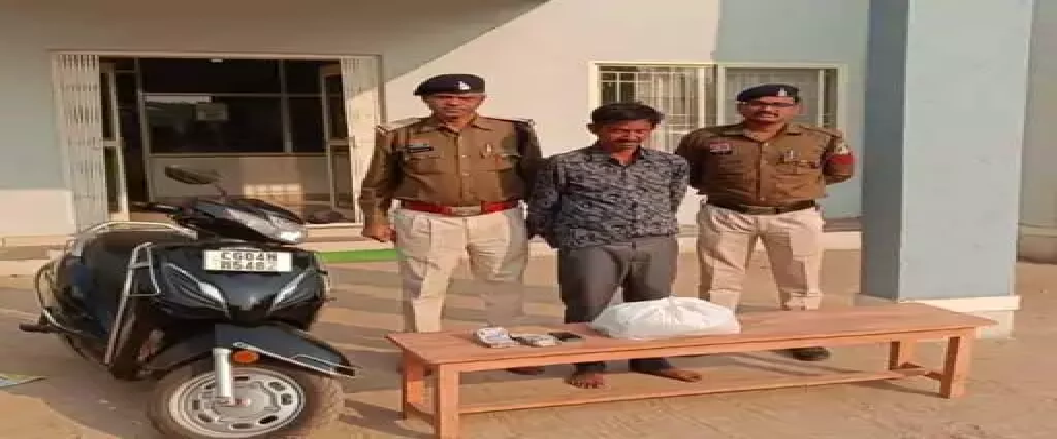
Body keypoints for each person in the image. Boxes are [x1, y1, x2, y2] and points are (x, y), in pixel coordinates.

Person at [358, 73, 545, 375]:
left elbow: (535, 177)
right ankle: (422, 353)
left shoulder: (513, 132)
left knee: (504, 285)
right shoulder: (400, 135)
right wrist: (374, 218)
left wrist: (539, 217)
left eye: (465, 97)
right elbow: (377, 182)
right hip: (428, 219)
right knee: (424, 289)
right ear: (426, 100)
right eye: (444, 97)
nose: (454, 103)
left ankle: (509, 348)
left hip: (497, 218)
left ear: (481, 100)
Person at [674, 84, 856, 362]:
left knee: (800, 280)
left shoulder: (822, 138)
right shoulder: (706, 138)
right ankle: (712, 333)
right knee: (719, 279)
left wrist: (796, 189)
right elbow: (686, 172)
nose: (768, 109)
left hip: (794, 215)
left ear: (796, 108)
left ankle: (803, 337)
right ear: (741, 107)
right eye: (758, 103)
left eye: (779, 105)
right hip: (728, 214)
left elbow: (840, 171)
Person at [526, 102, 702, 389]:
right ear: (594, 129)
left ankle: (650, 361)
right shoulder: (565, 164)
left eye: (640, 131)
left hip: (654, 243)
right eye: (620, 130)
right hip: (591, 244)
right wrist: (565, 239)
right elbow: (542, 207)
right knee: (588, 306)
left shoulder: (670, 164)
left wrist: (652, 227)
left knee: (652, 305)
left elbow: (673, 199)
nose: (630, 137)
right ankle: (589, 364)